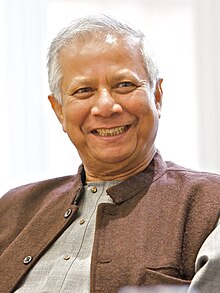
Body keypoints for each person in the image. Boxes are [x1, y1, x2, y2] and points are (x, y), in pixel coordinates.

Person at [0, 14, 220, 293]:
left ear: (157, 96)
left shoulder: (210, 204)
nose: (105, 106)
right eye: (83, 91)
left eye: (124, 85)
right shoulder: (12, 209)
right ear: (59, 111)